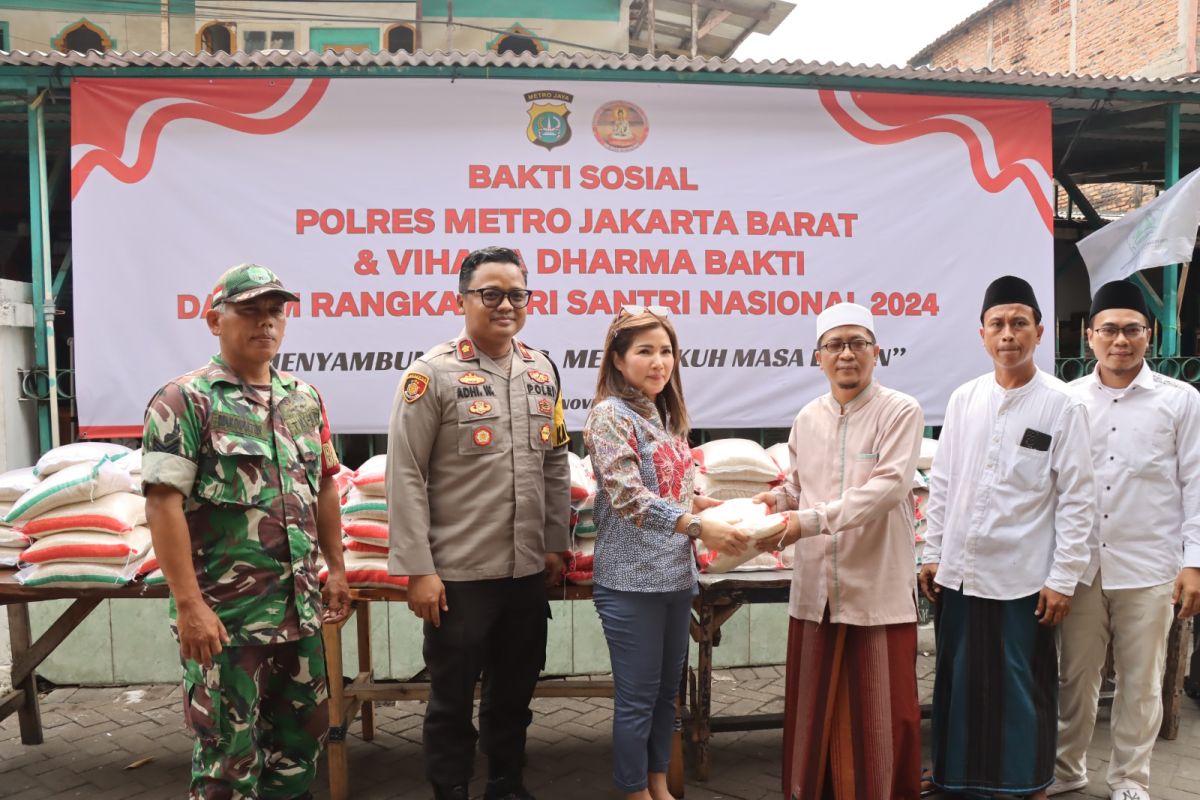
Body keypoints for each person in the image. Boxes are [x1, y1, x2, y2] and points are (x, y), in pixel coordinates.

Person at [141, 263, 350, 800]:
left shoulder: (304, 398)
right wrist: (189, 605)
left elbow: (325, 486)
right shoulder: (186, 400)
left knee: (301, 749)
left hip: (299, 612)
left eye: (275, 311)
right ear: (215, 321)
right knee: (227, 763)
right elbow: (162, 505)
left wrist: (337, 569)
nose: (266, 323)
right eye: (250, 311)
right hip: (225, 620)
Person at [386, 246, 572, 800]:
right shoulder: (432, 375)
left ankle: (505, 785)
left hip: (523, 571)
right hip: (459, 575)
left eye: (516, 294)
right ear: (462, 299)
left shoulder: (542, 369)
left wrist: (555, 543)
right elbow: (406, 474)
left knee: (515, 693)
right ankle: (451, 790)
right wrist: (418, 569)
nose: (505, 304)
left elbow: (556, 460)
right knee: (450, 697)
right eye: (490, 294)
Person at [921, 275, 1096, 800]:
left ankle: (1027, 784)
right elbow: (944, 482)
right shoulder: (963, 400)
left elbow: (1078, 500)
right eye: (997, 324)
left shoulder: (1063, 405)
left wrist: (1063, 579)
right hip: (961, 573)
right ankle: (956, 780)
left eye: (1020, 323)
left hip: (1024, 578)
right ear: (981, 334)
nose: (1008, 334)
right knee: (959, 683)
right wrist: (932, 553)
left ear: (1040, 332)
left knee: (1022, 686)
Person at [752, 302, 924, 800]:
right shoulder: (808, 417)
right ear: (819, 356)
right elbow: (799, 486)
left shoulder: (900, 410)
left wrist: (807, 520)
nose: (846, 354)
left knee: (882, 712)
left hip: (876, 586)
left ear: (876, 353)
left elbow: (889, 489)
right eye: (835, 345)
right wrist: (773, 501)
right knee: (813, 706)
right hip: (816, 589)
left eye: (857, 344)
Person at [583, 307, 748, 800]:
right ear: (617, 358)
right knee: (636, 699)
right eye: (644, 351)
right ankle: (633, 791)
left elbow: (670, 490)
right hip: (630, 582)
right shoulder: (609, 415)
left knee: (664, 698)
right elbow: (629, 496)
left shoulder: (661, 413)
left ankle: (659, 784)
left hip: (676, 579)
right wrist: (699, 525)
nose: (659, 363)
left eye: (666, 351)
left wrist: (714, 506)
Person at [1049, 279, 1200, 800]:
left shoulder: (1180, 402)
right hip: (1081, 566)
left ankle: (1131, 778)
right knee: (1075, 678)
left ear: (1149, 334)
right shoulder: (1065, 401)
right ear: (1089, 336)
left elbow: (1197, 482)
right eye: (1108, 329)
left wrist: (1194, 562)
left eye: (1131, 330)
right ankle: (1068, 769)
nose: (1120, 340)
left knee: (1142, 681)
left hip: (1150, 565)